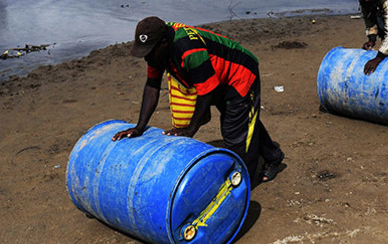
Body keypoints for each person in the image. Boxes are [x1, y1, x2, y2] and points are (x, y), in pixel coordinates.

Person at [113, 16, 285, 184]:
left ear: (164, 42)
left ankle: (240, 183)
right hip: (214, 76)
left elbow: (206, 94)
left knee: (234, 133)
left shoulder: (188, 48)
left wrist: (189, 130)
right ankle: (274, 156)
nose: (146, 58)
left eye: (149, 51)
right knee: (244, 120)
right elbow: (152, 86)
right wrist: (139, 127)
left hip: (239, 75)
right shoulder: (157, 52)